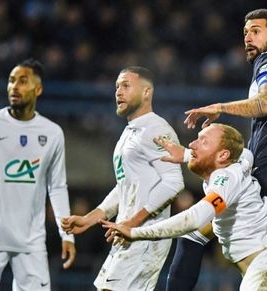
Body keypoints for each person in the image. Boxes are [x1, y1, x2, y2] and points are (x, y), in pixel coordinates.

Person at [170, 8, 267, 290]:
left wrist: (220, 107)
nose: (248, 38)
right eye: (245, 33)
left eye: (256, 31)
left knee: (194, 234)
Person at [102, 123, 267, 290]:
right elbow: (245, 153)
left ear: (223, 156)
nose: (192, 144)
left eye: (203, 141)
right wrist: (184, 155)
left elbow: (195, 218)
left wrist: (136, 232)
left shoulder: (224, 177)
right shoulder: (239, 164)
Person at [0, 59, 76, 290]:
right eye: (11, 81)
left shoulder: (52, 133)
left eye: (22, 81)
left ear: (38, 89)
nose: (14, 87)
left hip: (31, 241)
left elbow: (58, 187)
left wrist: (67, 235)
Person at [60, 66, 184, 291]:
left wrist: (133, 223)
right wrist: (90, 218)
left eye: (126, 85)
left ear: (147, 92)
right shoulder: (129, 132)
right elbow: (124, 187)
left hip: (144, 236)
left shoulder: (156, 128)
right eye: (117, 86)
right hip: (127, 233)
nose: (118, 92)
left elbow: (174, 182)